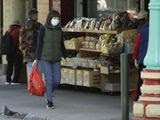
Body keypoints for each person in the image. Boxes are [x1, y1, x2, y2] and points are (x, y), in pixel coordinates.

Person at [33, 10, 67, 109]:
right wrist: (37, 58)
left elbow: (61, 44)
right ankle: (49, 102)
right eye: (54, 18)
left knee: (57, 81)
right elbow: (39, 44)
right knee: (49, 80)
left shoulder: (59, 30)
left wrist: (65, 55)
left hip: (56, 59)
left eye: (57, 18)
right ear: (50, 18)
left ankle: (48, 93)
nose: (56, 20)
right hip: (45, 58)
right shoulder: (43, 29)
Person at [19, 8, 42, 81]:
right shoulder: (37, 26)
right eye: (36, 15)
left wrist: (25, 51)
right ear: (33, 16)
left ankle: (34, 89)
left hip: (32, 54)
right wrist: (25, 50)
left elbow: (21, 42)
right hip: (34, 53)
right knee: (36, 73)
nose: (37, 17)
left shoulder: (25, 26)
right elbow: (21, 42)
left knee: (33, 73)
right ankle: (35, 89)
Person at [133, 10, 149, 101]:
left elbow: (137, 46)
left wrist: (135, 58)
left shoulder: (141, 30)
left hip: (142, 60)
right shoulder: (153, 29)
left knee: (141, 80)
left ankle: (138, 97)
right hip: (151, 60)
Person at [5, 21, 23, 85]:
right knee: (17, 66)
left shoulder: (8, 31)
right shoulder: (18, 31)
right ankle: (15, 81)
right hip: (16, 52)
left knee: (9, 65)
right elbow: (18, 42)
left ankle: (8, 80)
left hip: (9, 52)